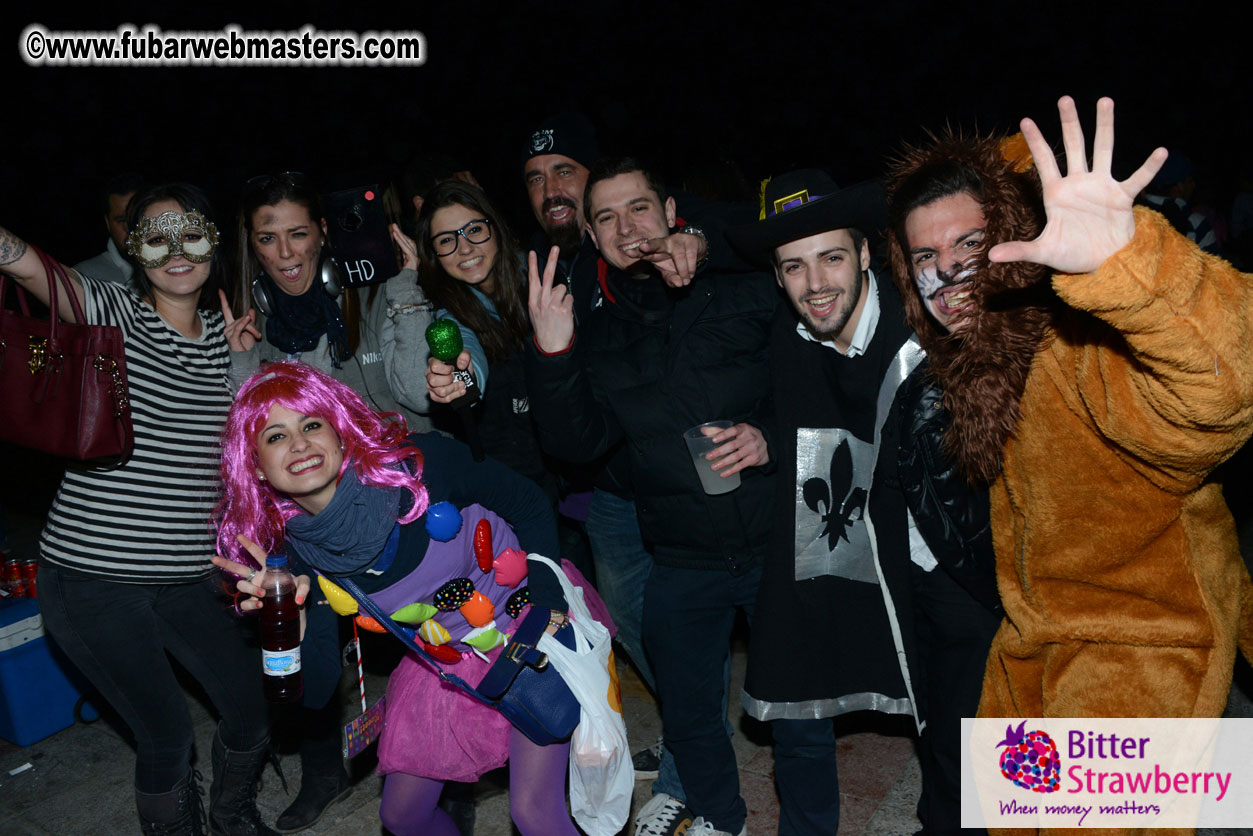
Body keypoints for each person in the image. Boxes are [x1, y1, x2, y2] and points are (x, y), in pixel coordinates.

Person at [884, 96, 1253, 797]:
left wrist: (1129, 265)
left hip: (1139, 655)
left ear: (1012, 237)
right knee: (1012, 815)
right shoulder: (980, 373)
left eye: (970, 245)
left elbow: (1223, 389)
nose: (948, 273)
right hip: (1029, 652)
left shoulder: (1081, 349)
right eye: (926, 256)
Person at [211, 362, 598, 836]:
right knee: (402, 817)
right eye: (275, 436)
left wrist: (547, 605)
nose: (299, 444)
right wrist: (293, 628)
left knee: (535, 813)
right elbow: (316, 694)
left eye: (311, 425)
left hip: (529, 623)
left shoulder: (422, 464)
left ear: (340, 432)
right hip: (447, 658)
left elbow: (529, 503)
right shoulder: (296, 558)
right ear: (255, 465)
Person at [727, 169, 999, 835]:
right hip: (866, 552)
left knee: (964, 729)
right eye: (793, 266)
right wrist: (767, 436)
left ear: (866, 253)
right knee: (823, 682)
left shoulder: (929, 321)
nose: (815, 284)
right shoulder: (788, 339)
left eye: (831, 257)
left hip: (952, 558)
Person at [0, 184, 277, 836]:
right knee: (166, 735)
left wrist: (244, 362)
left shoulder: (232, 338)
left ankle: (232, 817)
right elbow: (26, 265)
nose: (176, 251)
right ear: (132, 250)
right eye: (156, 237)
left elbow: (249, 449)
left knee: (252, 707)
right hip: (93, 578)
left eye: (191, 234)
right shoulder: (113, 310)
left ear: (214, 242)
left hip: (191, 574)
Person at [527, 157, 776, 836]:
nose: (625, 228)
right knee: (685, 697)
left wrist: (769, 437)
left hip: (765, 531)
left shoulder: (736, 283)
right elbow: (578, 441)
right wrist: (553, 353)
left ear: (671, 211)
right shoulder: (600, 324)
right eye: (605, 218)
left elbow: (808, 381)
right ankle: (717, 812)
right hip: (673, 542)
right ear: (591, 235)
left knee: (795, 705)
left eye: (638, 208)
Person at [222, 171, 438, 832]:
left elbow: (417, 399)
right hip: (309, 519)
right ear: (252, 246)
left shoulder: (370, 295)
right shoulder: (253, 330)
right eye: (268, 239)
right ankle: (323, 772)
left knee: (427, 642)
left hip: (391, 504)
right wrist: (241, 364)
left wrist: (406, 288)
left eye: (298, 233)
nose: (286, 252)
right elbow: (254, 439)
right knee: (300, 633)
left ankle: (440, 771)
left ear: (322, 233)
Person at [420, 180, 557, 500]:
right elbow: (465, 352)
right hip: (515, 483)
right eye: (446, 240)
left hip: (576, 466)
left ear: (495, 227)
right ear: (434, 254)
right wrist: (460, 377)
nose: (465, 248)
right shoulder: (449, 315)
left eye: (474, 230)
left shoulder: (541, 275)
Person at [73, 171, 146, 290]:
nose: (130, 227)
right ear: (107, 223)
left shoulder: (173, 265)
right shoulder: (83, 278)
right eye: (121, 220)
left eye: (137, 218)